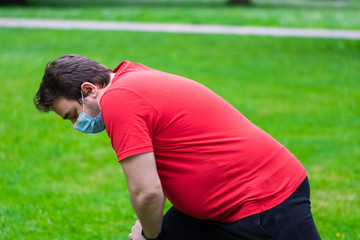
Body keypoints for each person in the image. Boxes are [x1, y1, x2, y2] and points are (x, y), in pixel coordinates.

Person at [34, 54, 321, 240]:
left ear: (88, 90)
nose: (77, 124)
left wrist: (148, 234)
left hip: (263, 200)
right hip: (220, 207)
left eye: (73, 114)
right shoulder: (129, 76)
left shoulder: (118, 100)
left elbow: (146, 191)